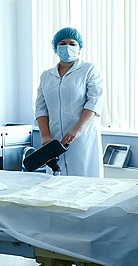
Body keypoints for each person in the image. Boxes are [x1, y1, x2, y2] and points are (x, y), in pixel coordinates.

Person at [35, 27, 105, 177]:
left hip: (82, 139)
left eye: (72, 44)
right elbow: (41, 108)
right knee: (55, 185)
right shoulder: (46, 76)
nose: (68, 47)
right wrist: (45, 136)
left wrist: (77, 130)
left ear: (80, 48)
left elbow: (94, 104)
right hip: (53, 142)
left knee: (84, 185)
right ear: (55, 48)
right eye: (62, 43)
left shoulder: (89, 70)